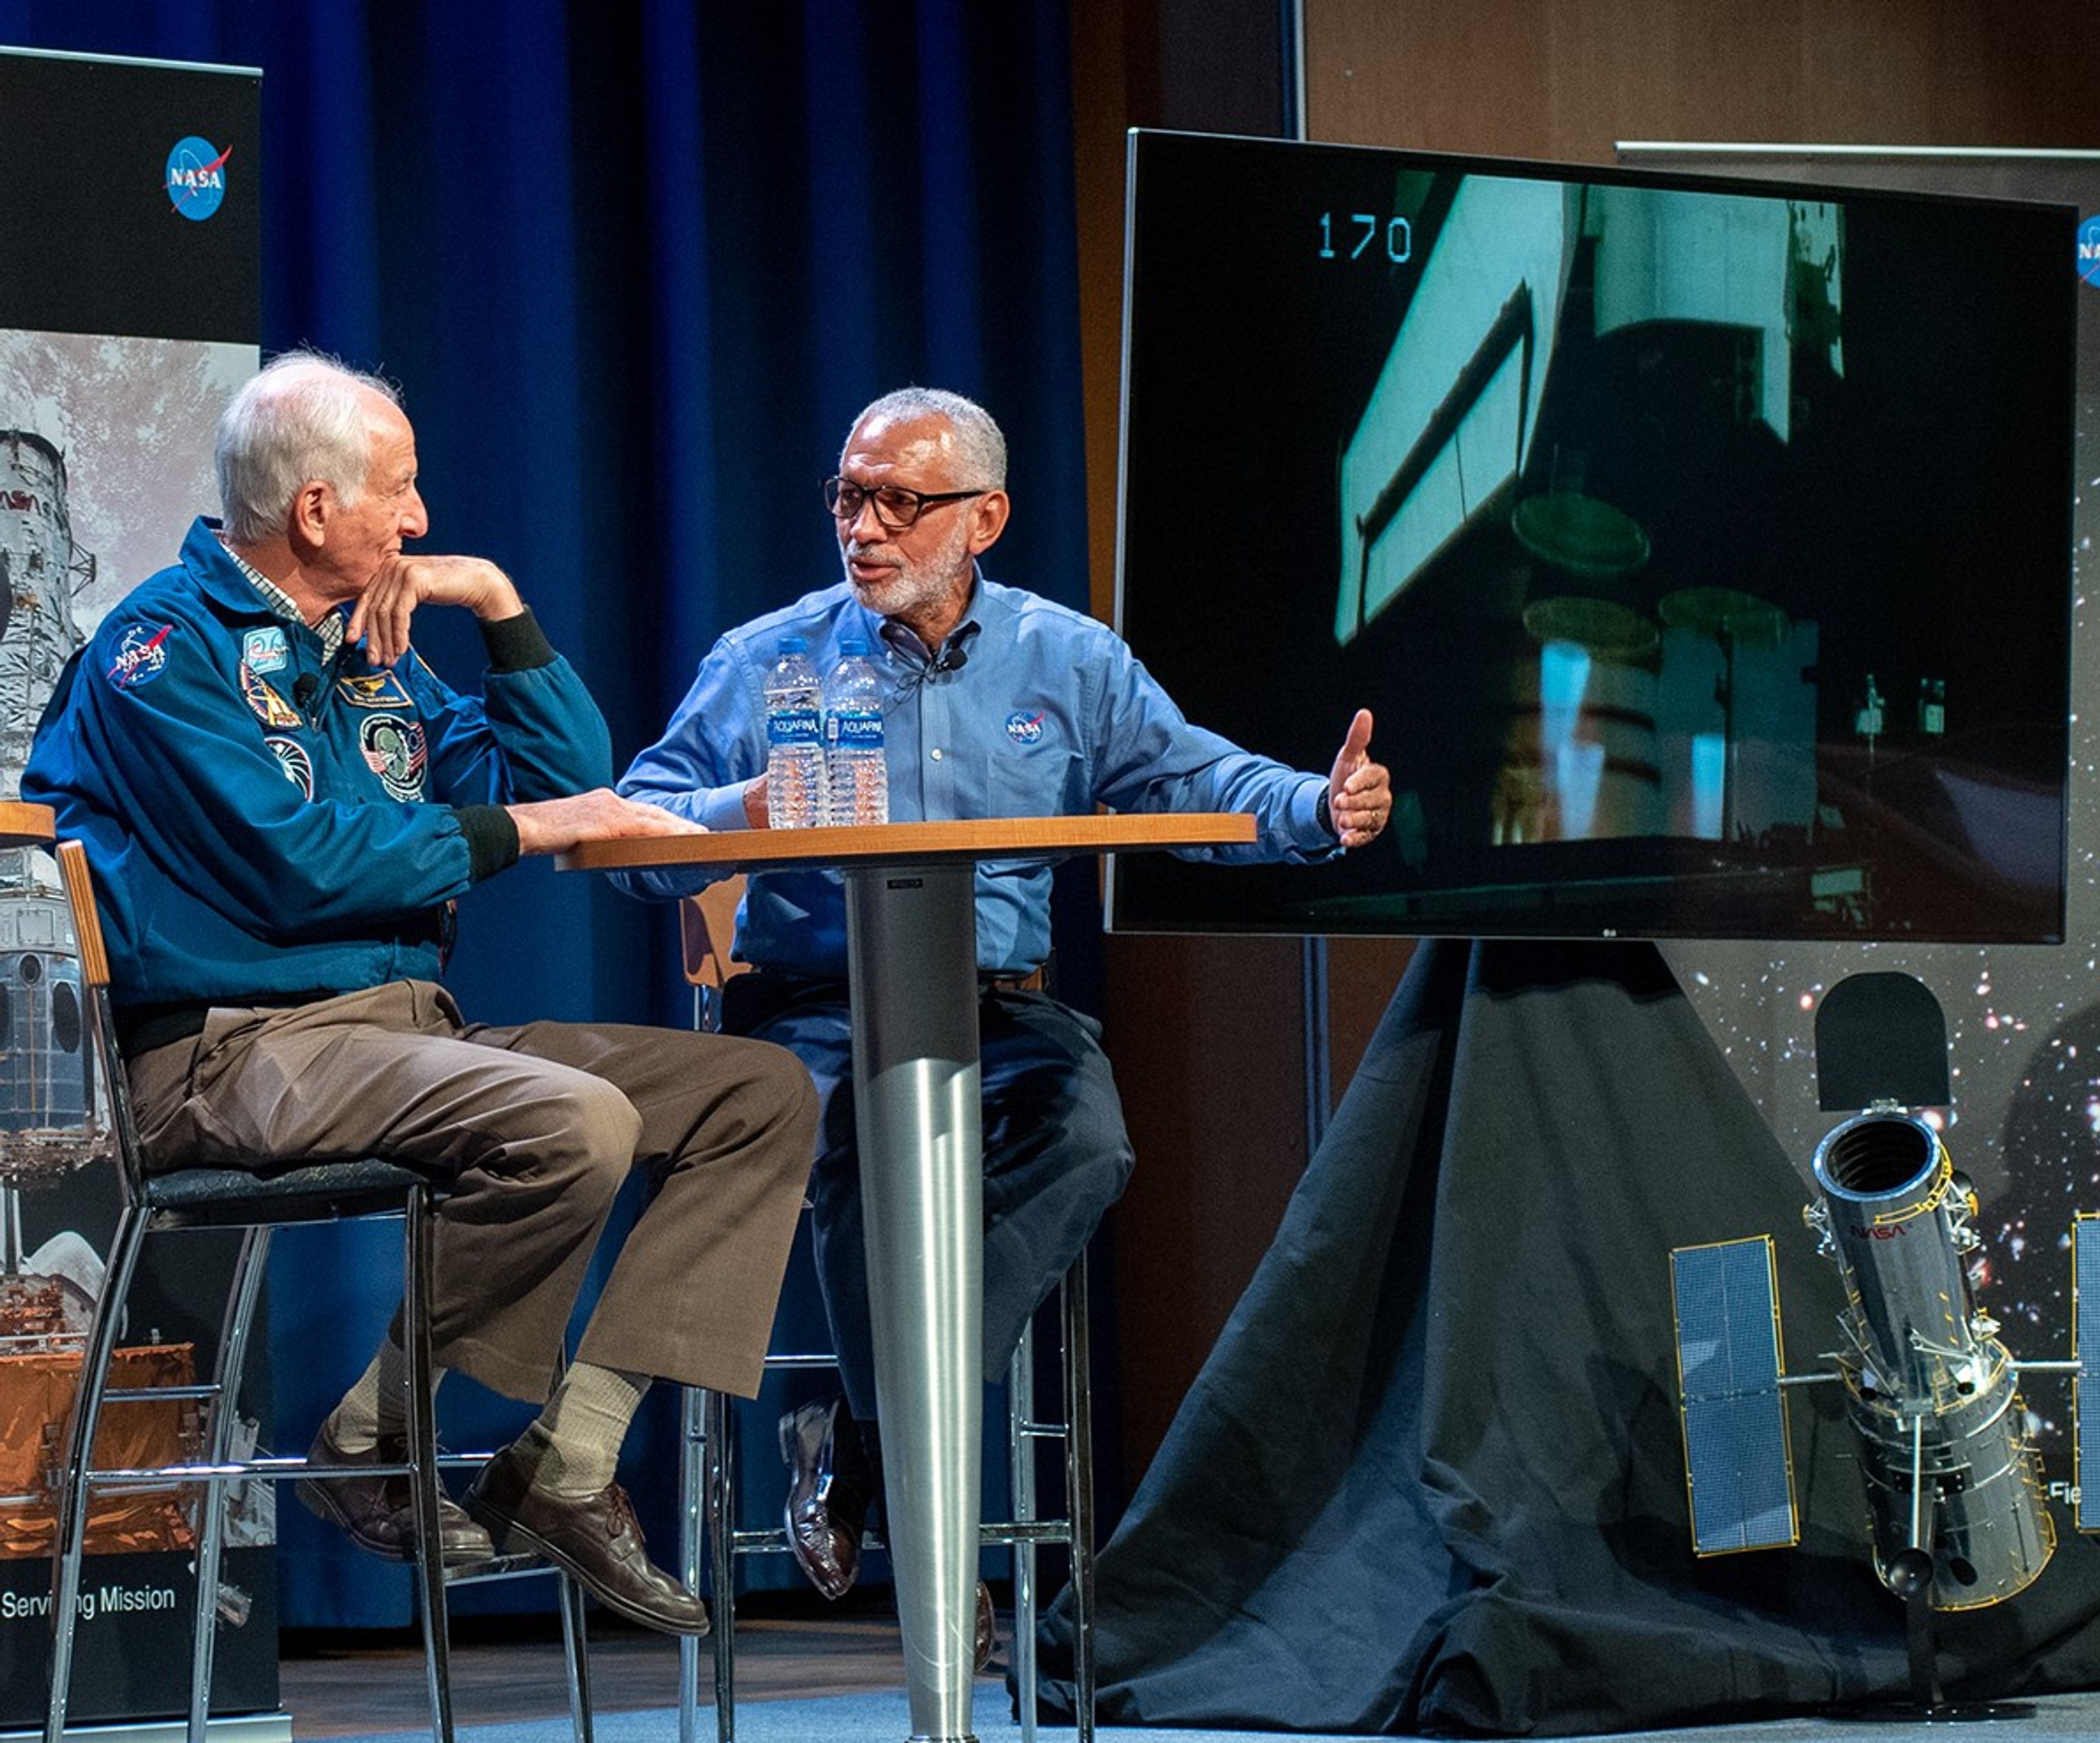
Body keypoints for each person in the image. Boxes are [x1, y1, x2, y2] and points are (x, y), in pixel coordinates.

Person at [23, 351, 819, 1638]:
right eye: (401, 490)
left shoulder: (370, 650)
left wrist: (499, 607)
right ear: (317, 509)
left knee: (756, 1091)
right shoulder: (160, 650)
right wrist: (528, 826)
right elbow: (299, 869)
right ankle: (376, 1433)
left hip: (404, 1037)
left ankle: (571, 1460)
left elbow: (568, 776)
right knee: (574, 1122)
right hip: (231, 1052)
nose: (422, 520)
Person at [612, 386, 1392, 1639]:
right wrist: (738, 812)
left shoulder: (1065, 658)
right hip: (814, 1001)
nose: (863, 529)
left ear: (985, 518)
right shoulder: (770, 659)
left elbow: (1190, 776)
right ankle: (934, 1536)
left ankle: (867, 1448)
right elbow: (635, 829)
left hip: (996, 1009)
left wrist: (1317, 804)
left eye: (898, 503)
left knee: (1089, 1139)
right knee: (862, 1148)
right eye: (848, 497)